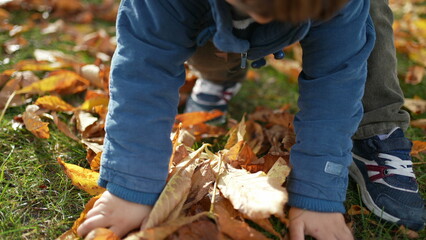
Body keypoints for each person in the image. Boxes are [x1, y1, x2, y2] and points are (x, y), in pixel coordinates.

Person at [77, 0, 376, 239]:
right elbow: (144, 74)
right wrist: (132, 186)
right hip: (208, 27)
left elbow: (336, 84)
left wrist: (318, 191)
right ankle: (220, 77)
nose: (261, 18)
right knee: (216, 57)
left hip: (305, 20)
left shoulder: (344, 6)